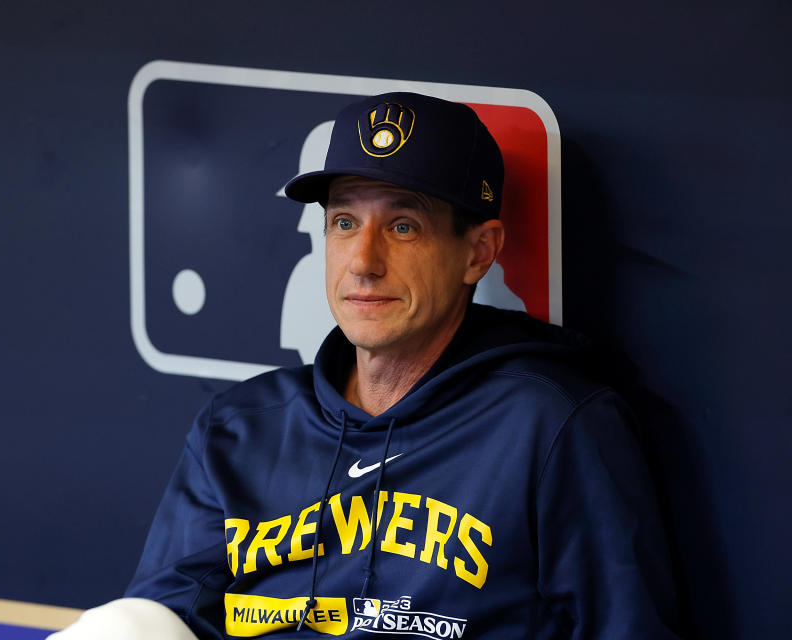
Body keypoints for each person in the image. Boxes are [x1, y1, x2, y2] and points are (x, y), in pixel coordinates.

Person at [53, 92, 678, 639]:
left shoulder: (551, 427)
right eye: (344, 222)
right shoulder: (242, 429)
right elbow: (163, 620)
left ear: (479, 252)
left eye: (403, 226)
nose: (362, 261)